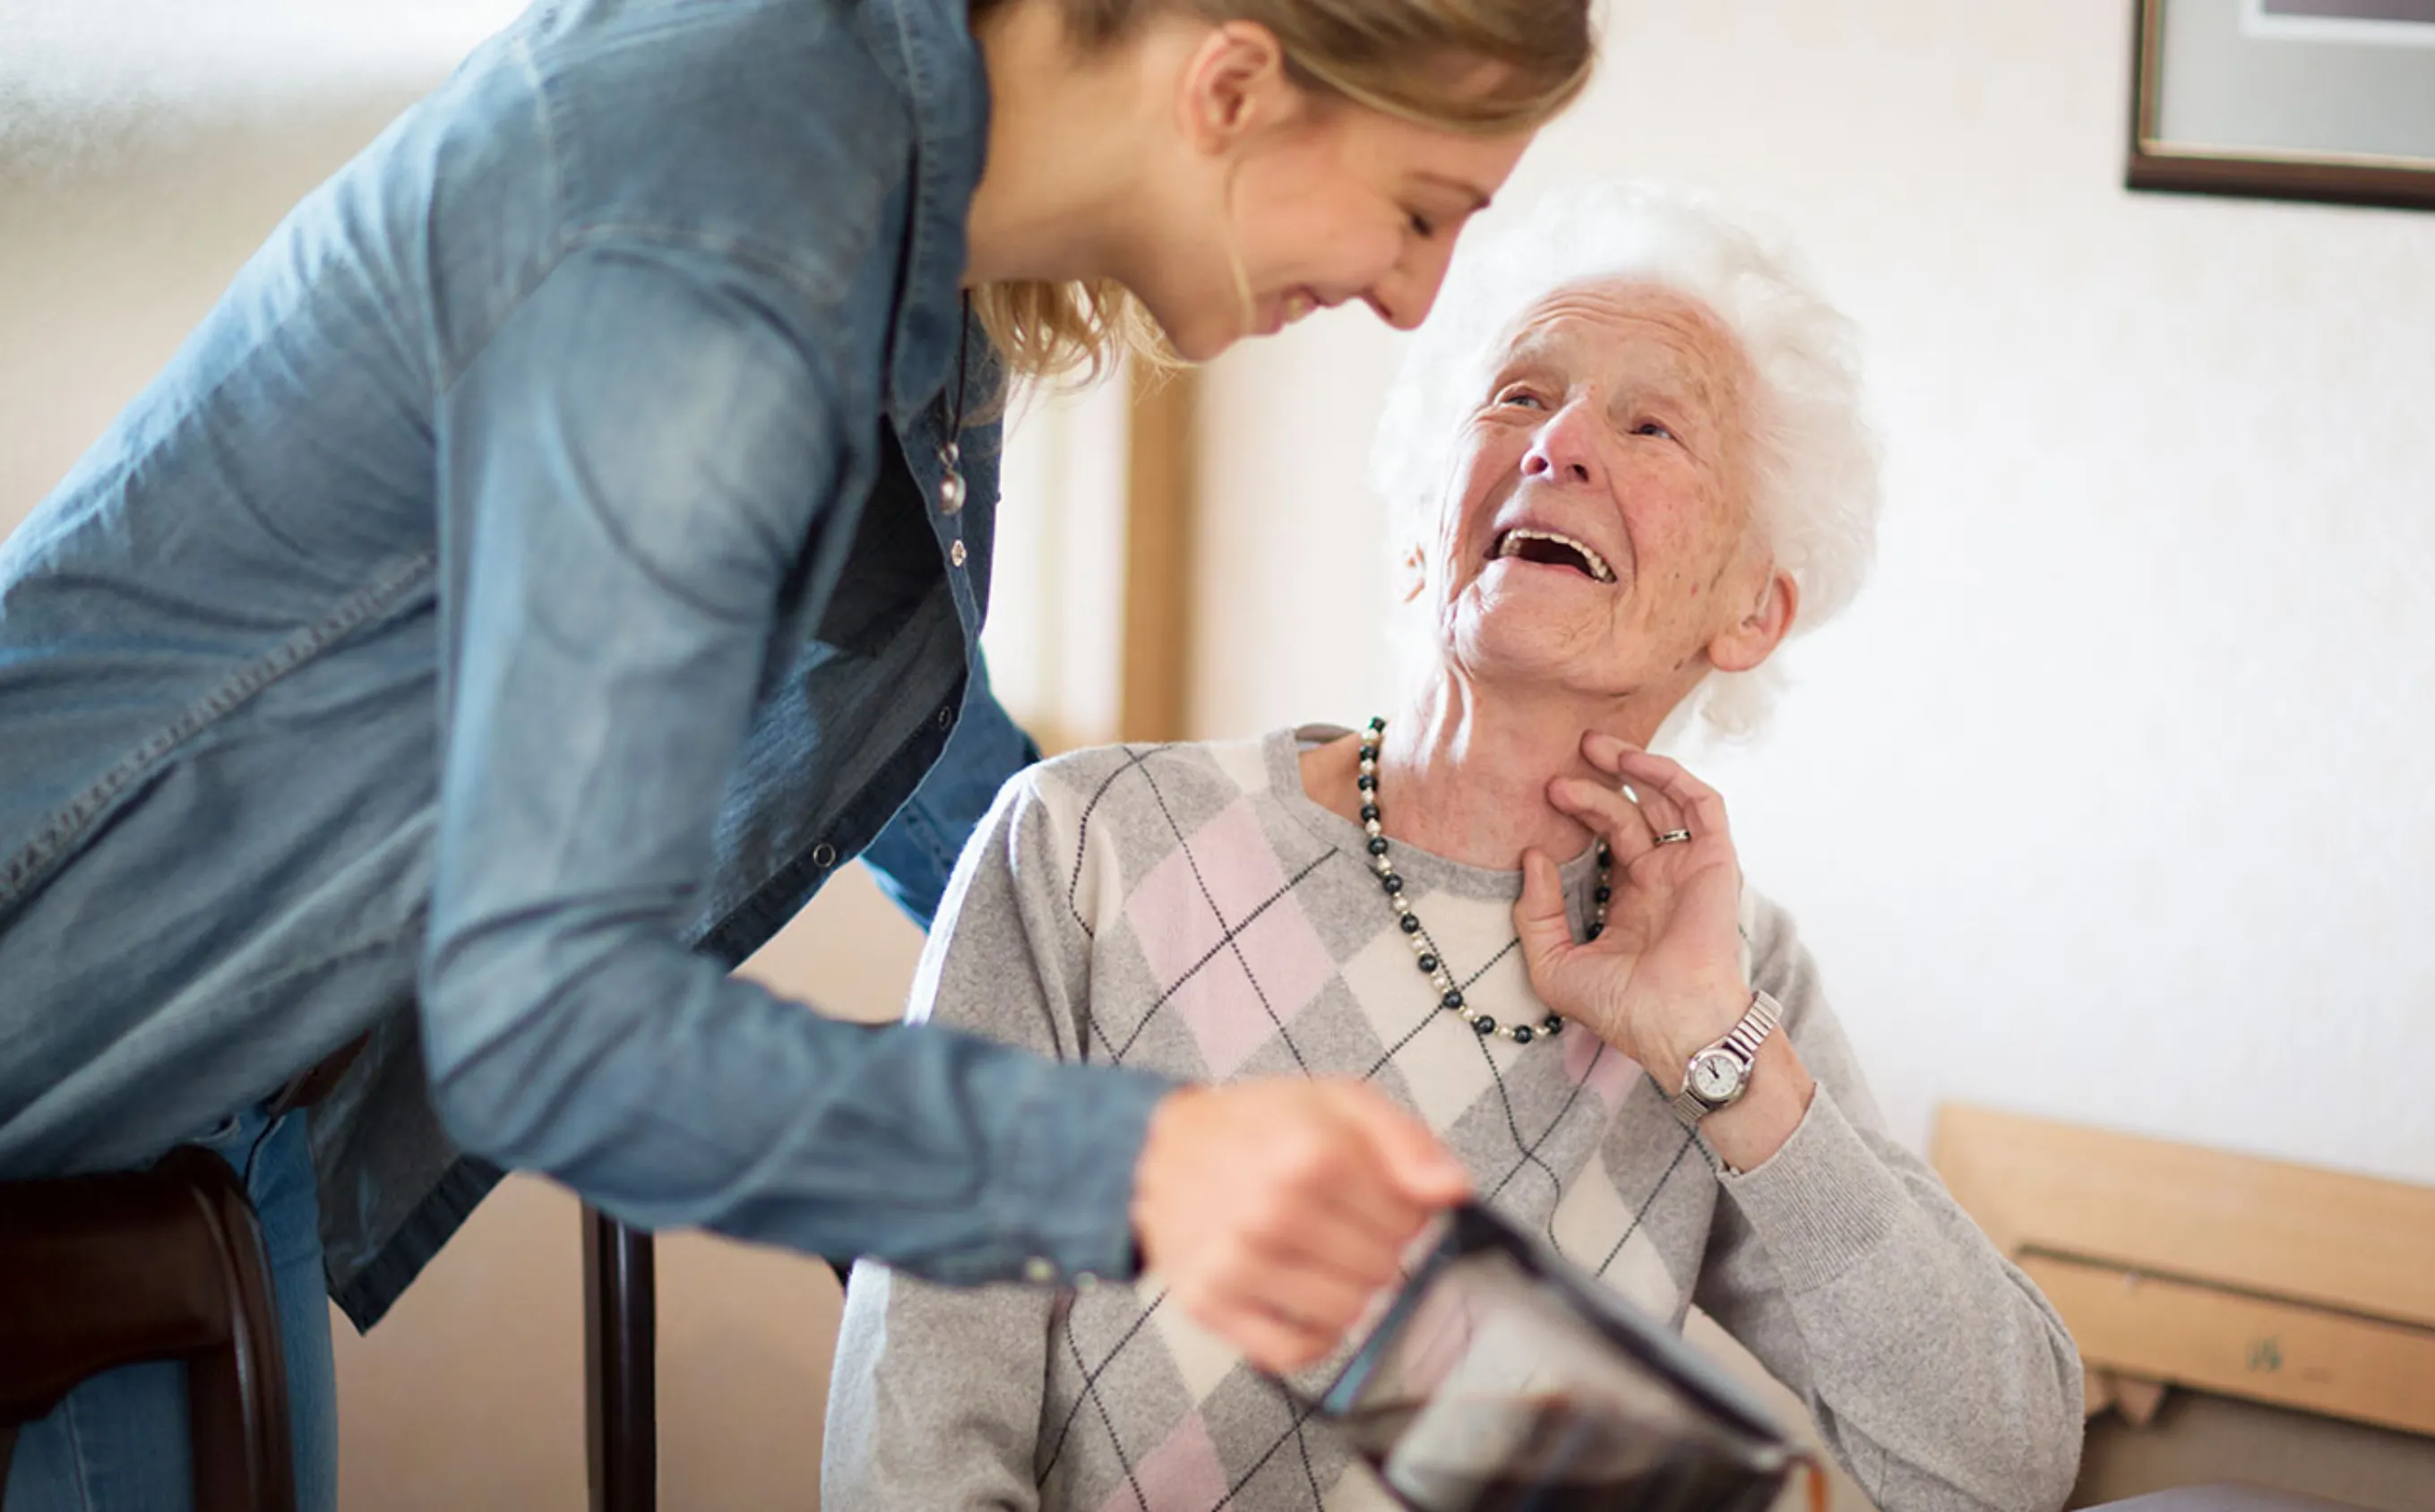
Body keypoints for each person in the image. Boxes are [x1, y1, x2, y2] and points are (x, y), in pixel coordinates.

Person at [0, 0, 1597, 1506]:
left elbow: (912, 726)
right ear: (1233, 85)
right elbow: (544, 1020)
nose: (1417, 300)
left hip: (241, 1107)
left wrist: (1187, 1035)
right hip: (71, 1087)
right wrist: (1148, 1162)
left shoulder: (892, 238)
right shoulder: (723, 231)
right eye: (1419, 209)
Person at [820, 183, 2087, 1512]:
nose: (1561, 446)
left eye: (1653, 424)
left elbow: (1999, 1467)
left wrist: (1722, 1056)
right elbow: (916, 1439)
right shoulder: (1088, 844)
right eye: (1519, 397)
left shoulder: (1734, 981)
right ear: (1425, 533)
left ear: (1750, 610)